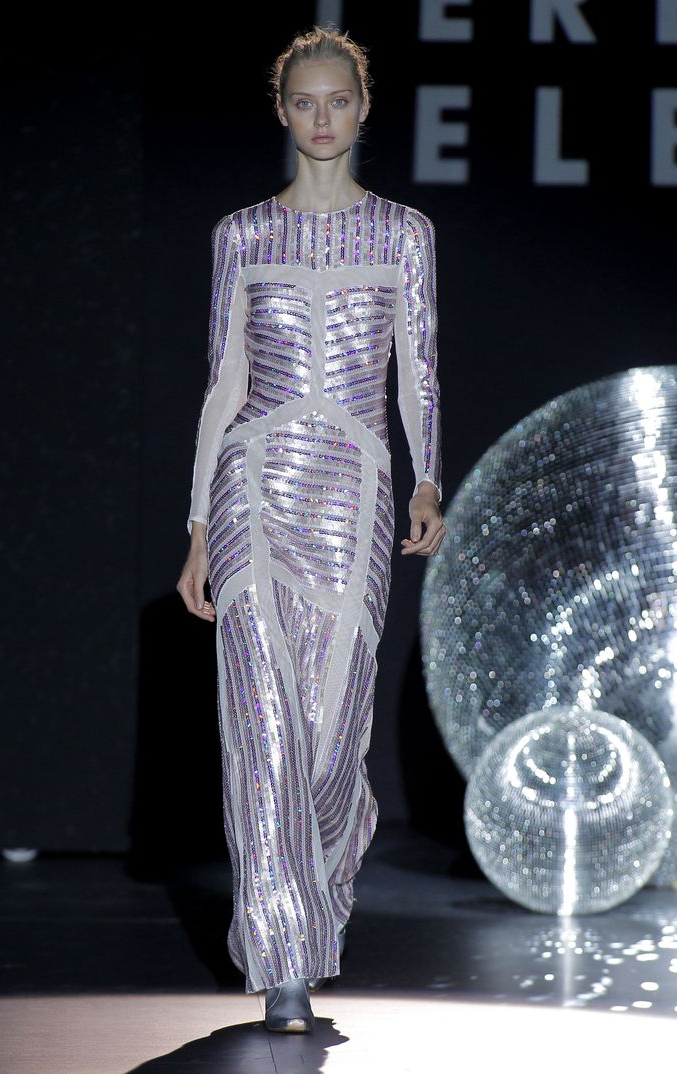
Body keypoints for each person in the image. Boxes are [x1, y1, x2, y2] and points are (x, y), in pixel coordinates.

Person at [176, 24, 446, 1033]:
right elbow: (223, 384)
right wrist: (196, 524)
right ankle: (282, 959)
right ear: (281, 109)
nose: (322, 117)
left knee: (331, 738)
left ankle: (327, 864)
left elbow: (417, 370)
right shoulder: (242, 236)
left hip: (356, 494)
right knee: (261, 722)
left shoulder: (404, 235)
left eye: (338, 100)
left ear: (363, 107)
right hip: (252, 486)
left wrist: (427, 481)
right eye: (304, 101)